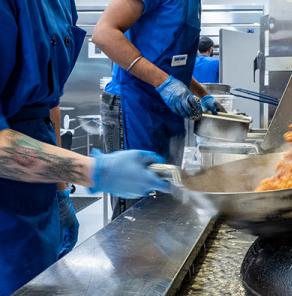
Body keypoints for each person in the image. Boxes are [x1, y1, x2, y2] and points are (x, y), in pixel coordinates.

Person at [0, 1, 170, 294]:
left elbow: (49, 103)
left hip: (37, 195)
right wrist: (94, 170)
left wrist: (60, 190)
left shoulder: (62, 4)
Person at [93, 0, 221, 219]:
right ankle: (130, 253)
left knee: (165, 195)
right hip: (134, 105)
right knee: (136, 202)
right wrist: (164, 83)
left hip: (166, 110)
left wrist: (202, 94)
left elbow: (168, 62)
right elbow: (103, 34)